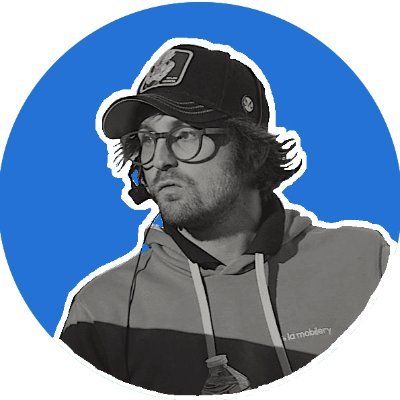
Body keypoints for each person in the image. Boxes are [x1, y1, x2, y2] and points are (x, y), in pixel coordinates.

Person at [59, 41, 391, 395]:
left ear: (252, 150)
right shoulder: (101, 314)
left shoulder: (365, 262)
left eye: (185, 135)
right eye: (147, 140)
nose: (161, 159)